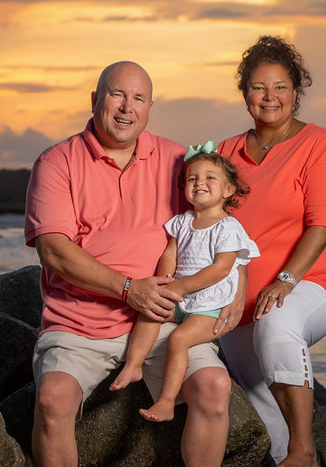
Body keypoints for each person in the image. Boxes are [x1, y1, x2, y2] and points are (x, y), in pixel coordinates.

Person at [24, 60, 238, 467]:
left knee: (212, 388)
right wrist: (126, 288)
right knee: (53, 399)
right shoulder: (58, 162)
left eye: (138, 99)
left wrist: (238, 291)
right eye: (117, 95)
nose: (126, 107)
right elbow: (53, 251)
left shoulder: (173, 159)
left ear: (149, 107)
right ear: (95, 98)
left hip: (163, 318)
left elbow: (222, 222)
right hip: (78, 322)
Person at [215, 35, 326, 467]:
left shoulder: (319, 144)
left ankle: (305, 448)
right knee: (258, 397)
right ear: (244, 93)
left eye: (280, 87)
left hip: (308, 287)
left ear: (296, 91)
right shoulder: (224, 154)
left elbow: (322, 224)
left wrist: (285, 281)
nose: (269, 97)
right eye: (258, 87)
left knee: (277, 326)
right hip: (239, 299)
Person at [109, 144, 258, 422]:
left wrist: (181, 287)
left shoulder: (228, 227)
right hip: (181, 296)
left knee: (178, 339)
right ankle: (134, 364)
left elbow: (221, 269)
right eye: (193, 178)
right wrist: (166, 283)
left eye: (210, 177)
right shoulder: (182, 221)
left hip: (208, 306)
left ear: (228, 190)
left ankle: (166, 401)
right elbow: (170, 254)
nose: (200, 182)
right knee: (150, 313)